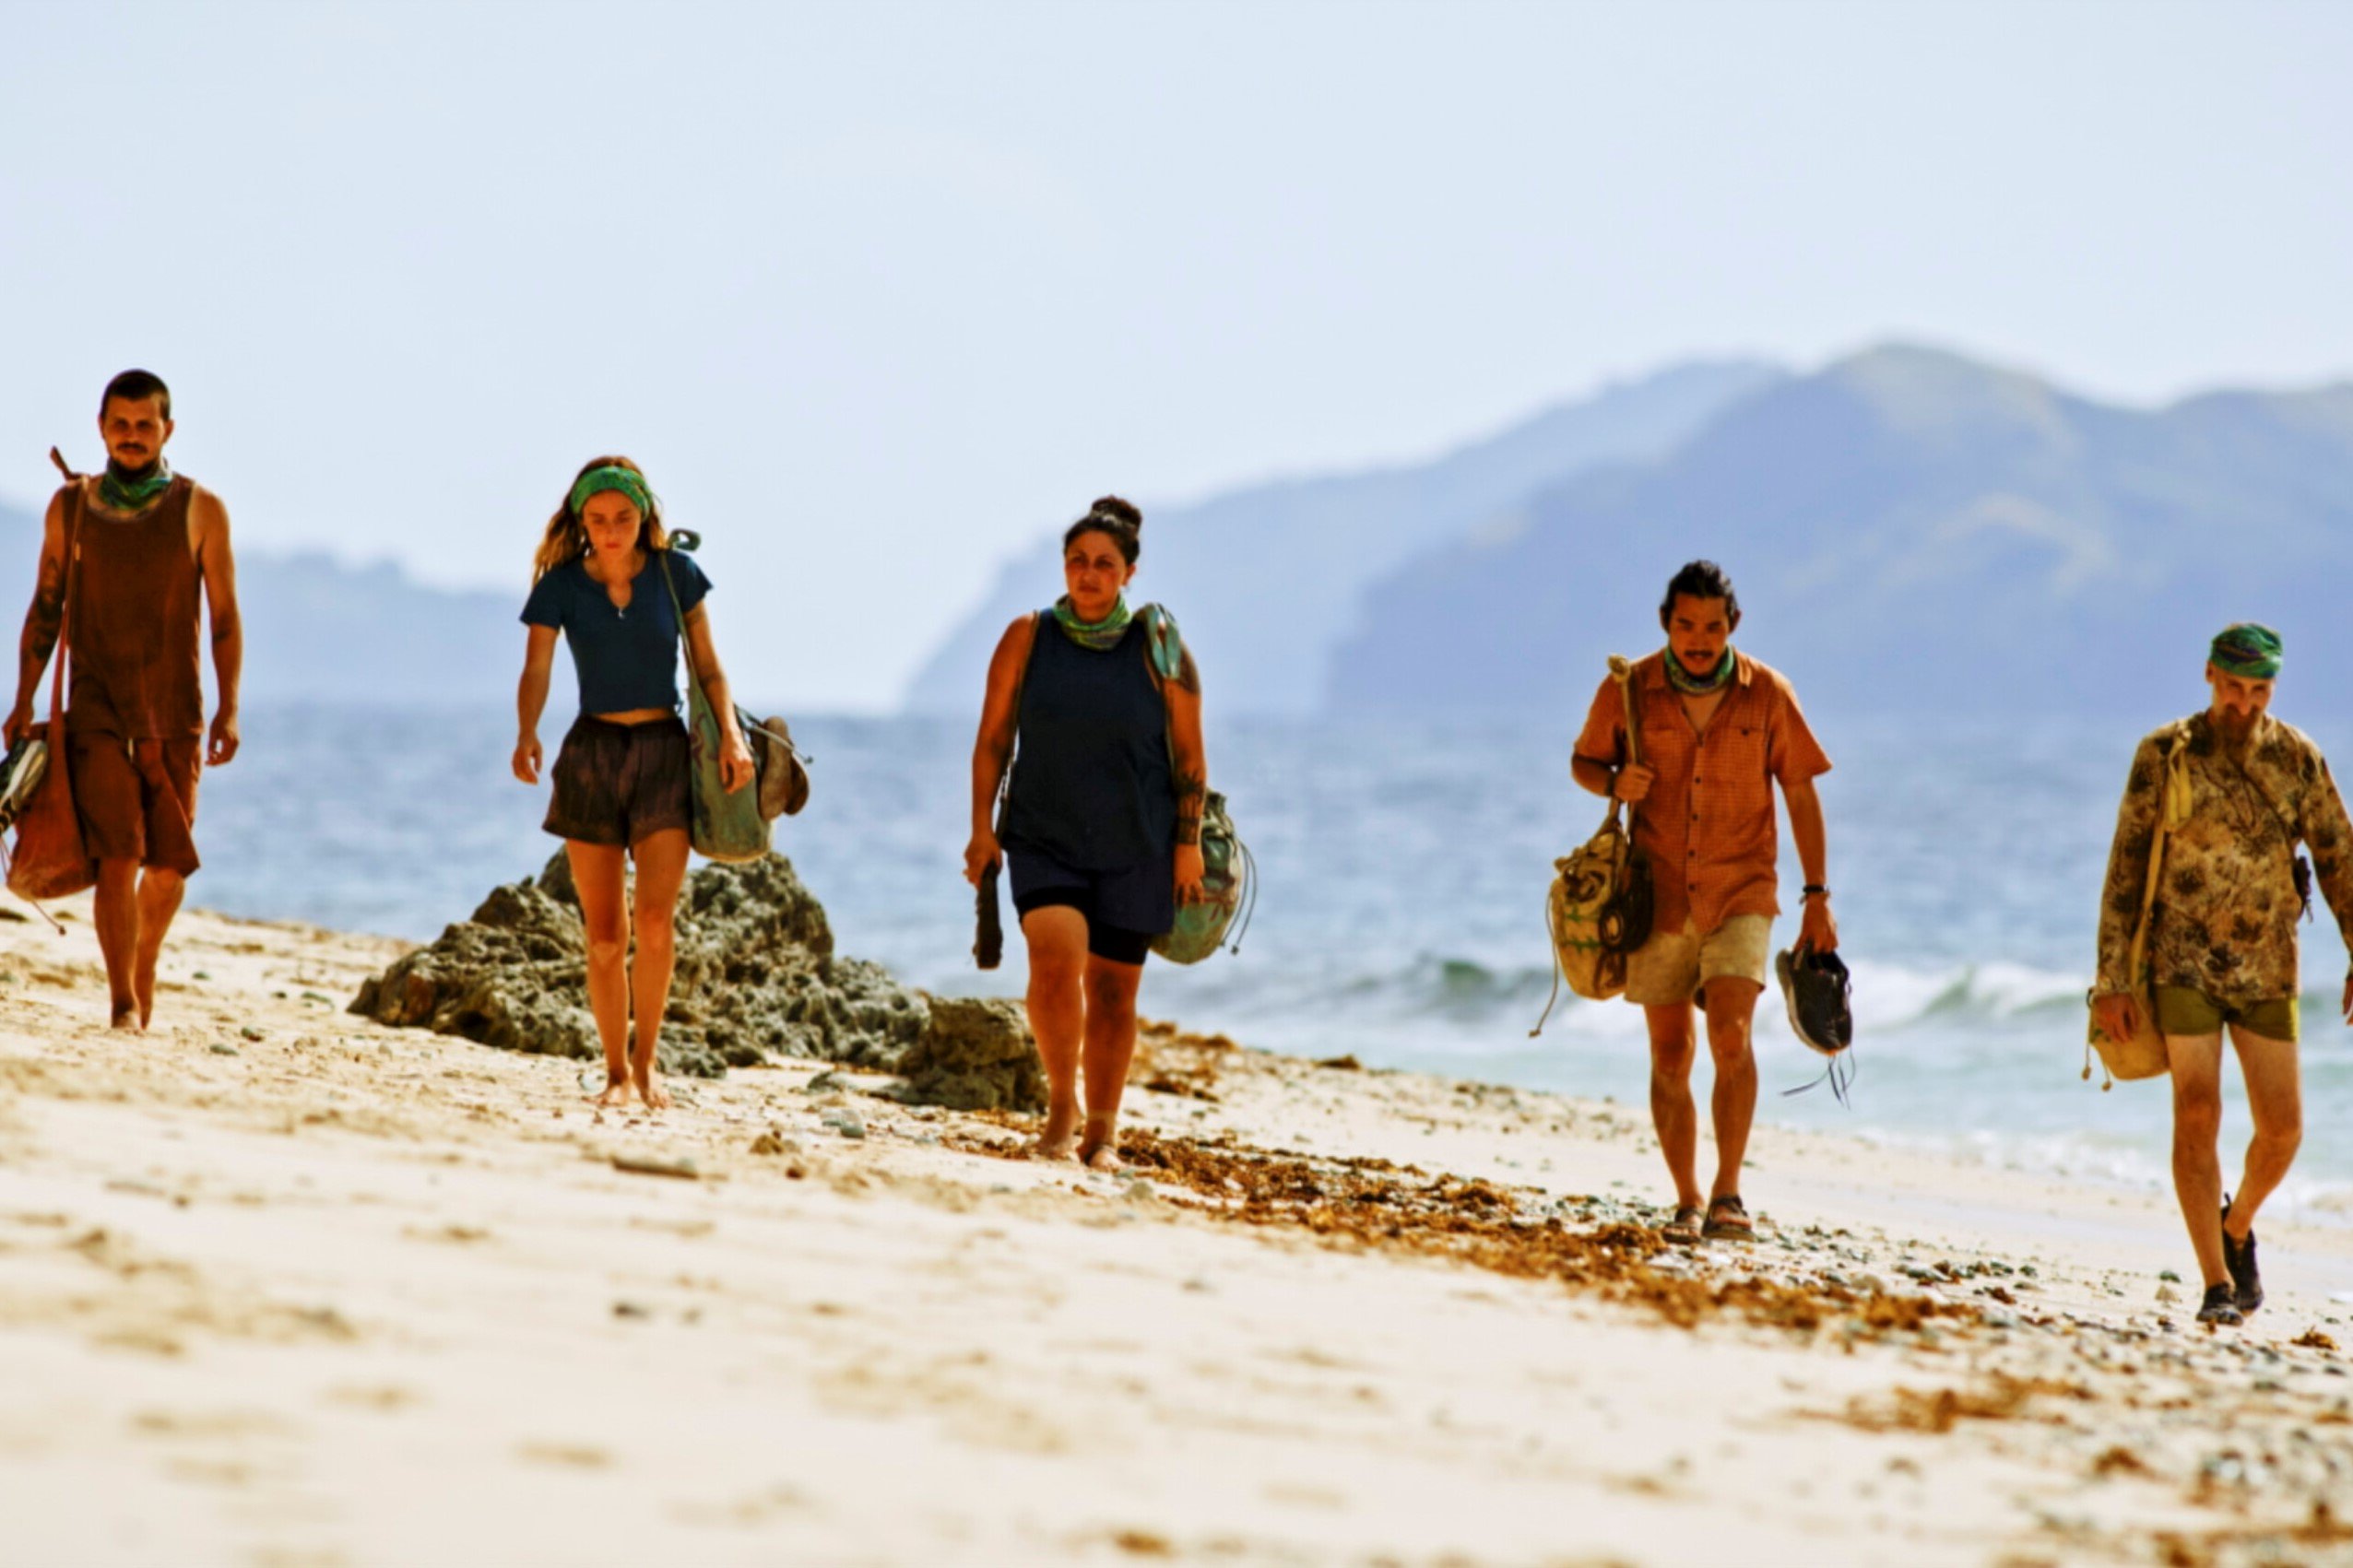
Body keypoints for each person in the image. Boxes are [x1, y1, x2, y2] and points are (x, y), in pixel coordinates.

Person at [2093, 624, 2353, 1326]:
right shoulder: (2164, 754)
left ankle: (2236, 1226)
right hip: (2181, 961)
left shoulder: (2298, 759)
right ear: (2210, 676)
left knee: (2284, 1131)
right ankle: (2215, 1282)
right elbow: (2125, 866)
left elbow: (2338, 858)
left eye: (2258, 691)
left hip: (2269, 967)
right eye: (2233, 689)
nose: (2243, 704)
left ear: (2273, 688)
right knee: (2197, 1111)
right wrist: (2112, 978)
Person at [1570, 560, 1835, 1246]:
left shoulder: (1767, 693)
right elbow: (1583, 761)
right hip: (1654, 893)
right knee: (1668, 1052)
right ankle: (1686, 1198)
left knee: (1730, 1036)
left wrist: (1816, 899)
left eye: (1712, 627)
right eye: (1686, 625)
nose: (1698, 639)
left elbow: (1802, 792)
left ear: (1732, 626)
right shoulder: (1627, 688)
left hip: (1743, 889)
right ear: (1665, 623)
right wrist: (1613, 781)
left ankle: (1728, 1192)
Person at [964, 497, 1207, 1169]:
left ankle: (1103, 1130)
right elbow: (991, 741)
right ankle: (1061, 1109)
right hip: (1044, 834)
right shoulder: (1027, 636)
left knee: (1113, 991)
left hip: (1138, 841)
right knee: (1052, 964)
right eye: (1078, 560)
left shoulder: (1162, 648)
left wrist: (1186, 846)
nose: (1089, 573)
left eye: (1104, 563)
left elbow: (1189, 757)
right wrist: (981, 831)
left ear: (1130, 571)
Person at [512, 457, 754, 1110]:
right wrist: (527, 731)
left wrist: (730, 735)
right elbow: (536, 668)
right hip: (589, 754)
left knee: (654, 919)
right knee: (604, 935)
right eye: (597, 520)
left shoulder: (677, 575)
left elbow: (709, 668)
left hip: (662, 753)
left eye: (622, 517)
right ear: (581, 521)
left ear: (644, 515)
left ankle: (647, 1066)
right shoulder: (560, 586)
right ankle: (615, 1071)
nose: (611, 530)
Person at [5, 370, 242, 1031]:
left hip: (175, 713)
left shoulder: (201, 509)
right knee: (120, 854)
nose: (132, 436)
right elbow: (45, 606)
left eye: (145, 424)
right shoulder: (71, 507)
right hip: (97, 709)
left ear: (168, 429)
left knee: (167, 867)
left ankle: (142, 960)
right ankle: (123, 1003)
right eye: (121, 423)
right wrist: (23, 697)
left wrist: (229, 707)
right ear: (101, 426)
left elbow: (224, 618)